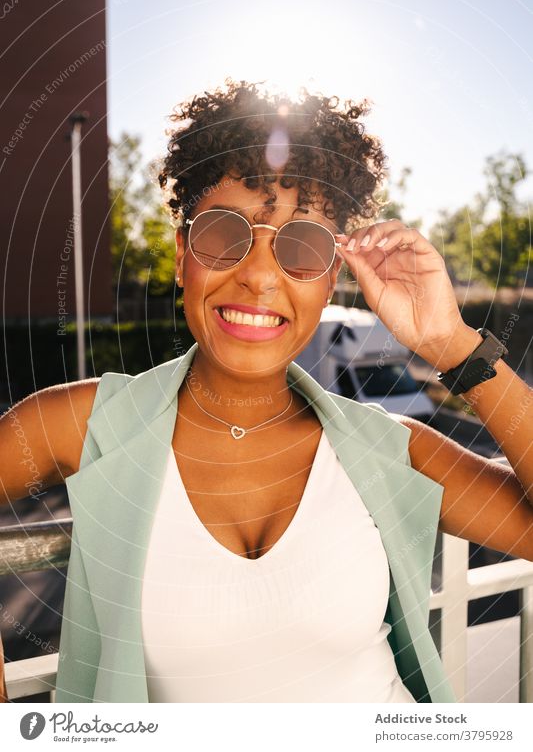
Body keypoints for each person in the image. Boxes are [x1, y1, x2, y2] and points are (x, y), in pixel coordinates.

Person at [1, 79, 532, 704]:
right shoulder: (80, 423)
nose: (256, 276)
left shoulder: (390, 449)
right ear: (181, 256)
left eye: (301, 245)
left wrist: (453, 345)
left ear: (332, 278)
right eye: (224, 235)